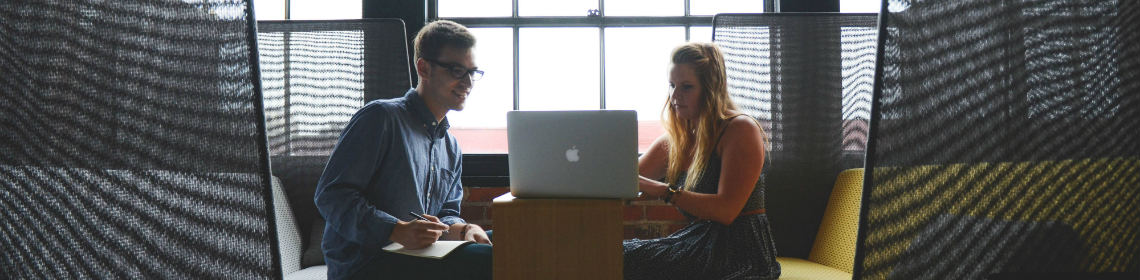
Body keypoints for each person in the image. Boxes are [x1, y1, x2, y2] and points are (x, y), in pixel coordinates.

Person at [314, 20, 491, 280]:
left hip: (420, 257)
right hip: (366, 263)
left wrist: (463, 229)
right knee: (494, 260)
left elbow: (446, 215)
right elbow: (331, 195)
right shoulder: (380, 118)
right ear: (424, 68)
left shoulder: (450, 146)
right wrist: (395, 230)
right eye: (456, 70)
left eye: (472, 72)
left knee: (516, 244)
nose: (468, 83)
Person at [623, 42, 781, 279]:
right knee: (615, 253)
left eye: (686, 87)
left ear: (710, 90)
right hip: (699, 243)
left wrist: (660, 189)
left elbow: (726, 211)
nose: (675, 96)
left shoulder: (740, 129)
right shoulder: (678, 140)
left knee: (626, 260)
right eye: (672, 85)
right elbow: (623, 178)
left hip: (742, 253)